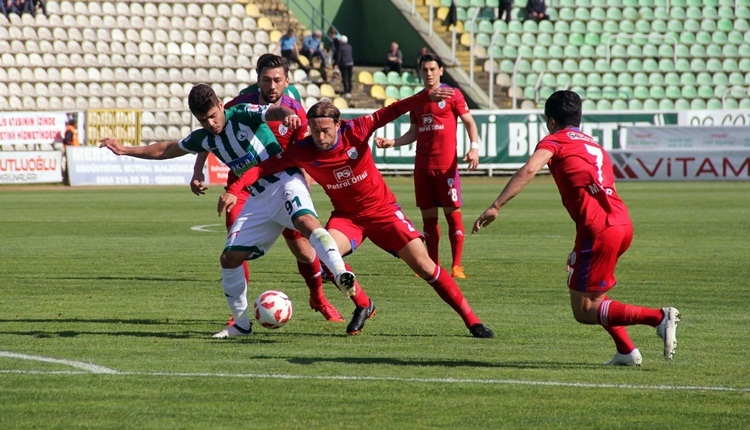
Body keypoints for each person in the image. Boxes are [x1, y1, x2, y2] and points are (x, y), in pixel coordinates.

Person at [221, 89, 495, 339]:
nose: (320, 136)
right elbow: (262, 168)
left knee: (425, 267)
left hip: (384, 213)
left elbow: (393, 110)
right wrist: (234, 188)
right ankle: (363, 303)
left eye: (325, 130)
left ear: (338, 124)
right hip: (347, 218)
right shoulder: (302, 151)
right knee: (325, 257)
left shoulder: (358, 129)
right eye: (314, 131)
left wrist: (425, 95)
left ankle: (473, 321)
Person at [100, 84, 356, 338]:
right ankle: (241, 325)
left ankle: (340, 272)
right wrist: (125, 150)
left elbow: (271, 112)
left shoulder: (242, 113)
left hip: (285, 181)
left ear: (221, 105)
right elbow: (167, 149)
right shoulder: (204, 138)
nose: (211, 123)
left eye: (213, 115)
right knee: (229, 258)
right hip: (257, 197)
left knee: (306, 224)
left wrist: (286, 115)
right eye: (203, 119)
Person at [472, 90, 680, 366]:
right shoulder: (593, 146)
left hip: (598, 229)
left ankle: (658, 317)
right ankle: (626, 351)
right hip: (620, 223)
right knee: (596, 294)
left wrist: (496, 205)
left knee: (584, 310)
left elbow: (530, 169)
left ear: (551, 121)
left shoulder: (555, 140)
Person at [190, 55, 345, 324]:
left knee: (304, 250)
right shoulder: (238, 105)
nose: (272, 85)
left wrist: (304, 179)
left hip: (280, 183)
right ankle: (237, 316)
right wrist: (197, 170)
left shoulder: (294, 107)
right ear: (257, 78)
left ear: (286, 81)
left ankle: (319, 298)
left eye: (277, 80)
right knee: (235, 248)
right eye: (266, 79)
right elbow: (210, 134)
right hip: (242, 186)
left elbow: (303, 146)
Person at [375, 53, 480, 280]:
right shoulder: (418, 100)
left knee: (453, 217)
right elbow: (414, 132)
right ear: (420, 72)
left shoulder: (453, 95)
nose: (429, 73)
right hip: (422, 167)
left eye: (433, 69)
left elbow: (469, 122)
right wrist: (393, 142)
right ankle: (432, 266)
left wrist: (474, 147)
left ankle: (457, 266)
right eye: (425, 70)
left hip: (446, 168)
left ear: (441, 70)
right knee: (429, 220)